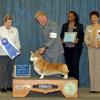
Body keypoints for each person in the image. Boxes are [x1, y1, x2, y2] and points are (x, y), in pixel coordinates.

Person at [60, 11, 84, 82]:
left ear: (75, 17)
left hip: (76, 48)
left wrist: (78, 40)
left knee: (75, 65)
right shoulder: (64, 25)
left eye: (71, 16)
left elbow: (82, 37)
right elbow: (61, 35)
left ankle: (76, 83)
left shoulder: (80, 25)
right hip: (67, 48)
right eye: (69, 16)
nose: (69, 17)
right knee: (68, 66)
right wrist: (62, 40)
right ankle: (69, 83)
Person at [0, 15, 20, 92]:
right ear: (4, 22)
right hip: (2, 54)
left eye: (11, 22)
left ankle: (9, 85)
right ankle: (2, 86)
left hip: (12, 53)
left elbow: (17, 41)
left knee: (10, 70)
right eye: (8, 22)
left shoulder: (15, 30)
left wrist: (18, 49)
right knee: (2, 71)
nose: (9, 24)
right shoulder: (0, 29)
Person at [84, 11, 100, 93]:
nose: (93, 19)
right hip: (90, 49)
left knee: (98, 68)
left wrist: (98, 45)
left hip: (99, 49)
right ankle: (92, 88)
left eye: (94, 17)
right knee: (91, 68)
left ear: (98, 17)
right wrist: (90, 44)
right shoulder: (88, 27)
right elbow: (85, 38)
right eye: (91, 18)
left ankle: (98, 88)